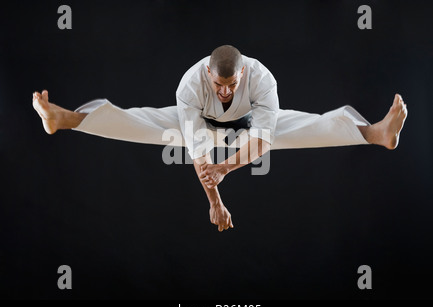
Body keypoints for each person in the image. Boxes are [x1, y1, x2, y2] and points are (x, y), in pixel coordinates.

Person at [32, 45, 408, 232]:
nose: (225, 91)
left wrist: (227, 167)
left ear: (242, 74)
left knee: (299, 128)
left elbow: (261, 141)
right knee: (144, 124)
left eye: (230, 85)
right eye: (219, 85)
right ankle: (64, 118)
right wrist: (216, 202)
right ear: (207, 74)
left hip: (250, 126)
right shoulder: (190, 86)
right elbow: (199, 154)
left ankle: (376, 133)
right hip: (201, 124)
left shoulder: (263, 79)